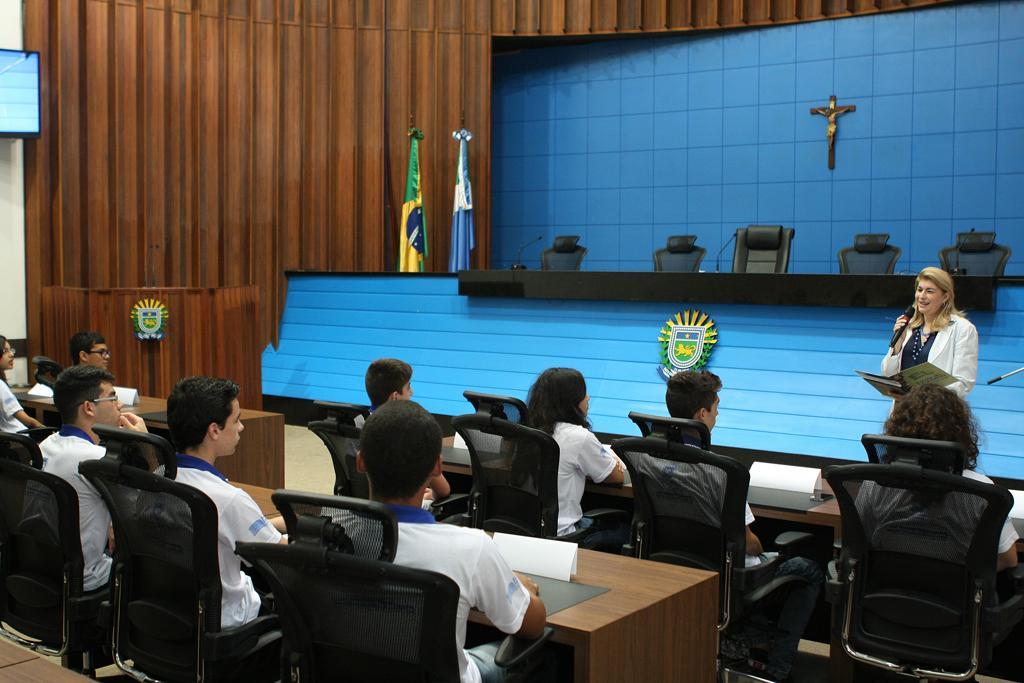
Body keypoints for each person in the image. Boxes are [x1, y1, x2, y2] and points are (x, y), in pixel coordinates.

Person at [356, 400, 547, 683]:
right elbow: (532, 624)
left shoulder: (325, 532)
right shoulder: (470, 548)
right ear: (437, 467)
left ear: (360, 462)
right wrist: (517, 586)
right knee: (546, 656)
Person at [664, 370, 822, 682]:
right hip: (724, 575)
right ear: (702, 413)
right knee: (808, 569)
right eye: (717, 407)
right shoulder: (719, 471)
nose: (718, 413)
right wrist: (765, 552)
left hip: (675, 567)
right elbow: (748, 542)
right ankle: (777, 668)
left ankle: (743, 640)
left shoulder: (651, 459)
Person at [856, 384, 1018, 572]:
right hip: (953, 598)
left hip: (884, 596)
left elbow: (859, 543)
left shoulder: (875, 483)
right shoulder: (982, 492)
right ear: (960, 433)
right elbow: (1008, 560)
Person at [167, 376, 286, 628]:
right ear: (214, 430)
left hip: (173, 614)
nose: (241, 427)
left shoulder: (157, 478)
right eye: (237, 420)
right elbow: (280, 557)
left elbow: (228, 528)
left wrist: (274, 523)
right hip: (228, 621)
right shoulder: (229, 499)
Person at [39, 365, 149, 590]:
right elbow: (148, 505)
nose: (119, 405)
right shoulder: (95, 459)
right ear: (89, 408)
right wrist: (145, 442)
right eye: (112, 398)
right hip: (87, 578)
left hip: (45, 570)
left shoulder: (46, 444)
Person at [525, 367, 627, 550]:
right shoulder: (579, 437)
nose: (588, 398)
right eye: (584, 394)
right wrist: (613, 458)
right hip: (563, 537)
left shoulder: (524, 432)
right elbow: (616, 477)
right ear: (571, 401)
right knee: (626, 531)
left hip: (522, 531)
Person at [363, 358, 450, 502]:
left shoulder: (358, 424)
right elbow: (443, 490)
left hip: (363, 511)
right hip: (401, 514)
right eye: (408, 387)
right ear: (395, 397)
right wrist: (425, 496)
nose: (412, 392)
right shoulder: (411, 432)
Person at [883, 266, 978, 398]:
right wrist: (897, 346)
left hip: (936, 412)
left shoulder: (963, 329)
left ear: (945, 296)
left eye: (929, 291)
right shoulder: (909, 325)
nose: (922, 296)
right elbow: (888, 374)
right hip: (903, 410)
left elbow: (964, 383)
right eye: (919, 290)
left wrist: (927, 397)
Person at [0, 335, 44, 432]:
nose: (11, 354)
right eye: (5, 351)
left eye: (11, 350)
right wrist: (50, 433)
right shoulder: (1, 386)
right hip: (18, 441)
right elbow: (29, 422)